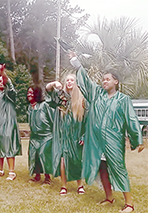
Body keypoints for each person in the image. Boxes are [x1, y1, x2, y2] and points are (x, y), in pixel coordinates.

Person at [70, 52, 145, 212]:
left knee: (118, 169)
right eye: (103, 79)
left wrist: (137, 139)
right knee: (102, 168)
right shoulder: (97, 95)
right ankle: (109, 197)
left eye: (107, 79)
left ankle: (129, 203)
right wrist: (75, 62)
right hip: (97, 142)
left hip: (113, 141)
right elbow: (87, 83)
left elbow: (131, 119)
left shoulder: (123, 100)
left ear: (115, 82)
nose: (104, 81)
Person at [46, 74, 86, 195]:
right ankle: (64, 186)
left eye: (72, 80)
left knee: (77, 160)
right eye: (67, 80)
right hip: (63, 136)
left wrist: (84, 136)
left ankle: (80, 185)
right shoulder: (61, 98)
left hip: (76, 136)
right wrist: (54, 84)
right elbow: (48, 90)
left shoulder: (81, 100)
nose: (69, 82)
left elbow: (86, 121)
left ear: (76, 83)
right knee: (63, 160)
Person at [27, 86, 54, 184]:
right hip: (34, 136)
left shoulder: (44, 105)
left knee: (45, 156)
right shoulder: (30, 107)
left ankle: (47, 178)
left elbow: (52, 119)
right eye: (28, 93)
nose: (29, 94)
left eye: (31, 92)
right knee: (33, 155)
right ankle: (37, 176)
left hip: (45, 136)